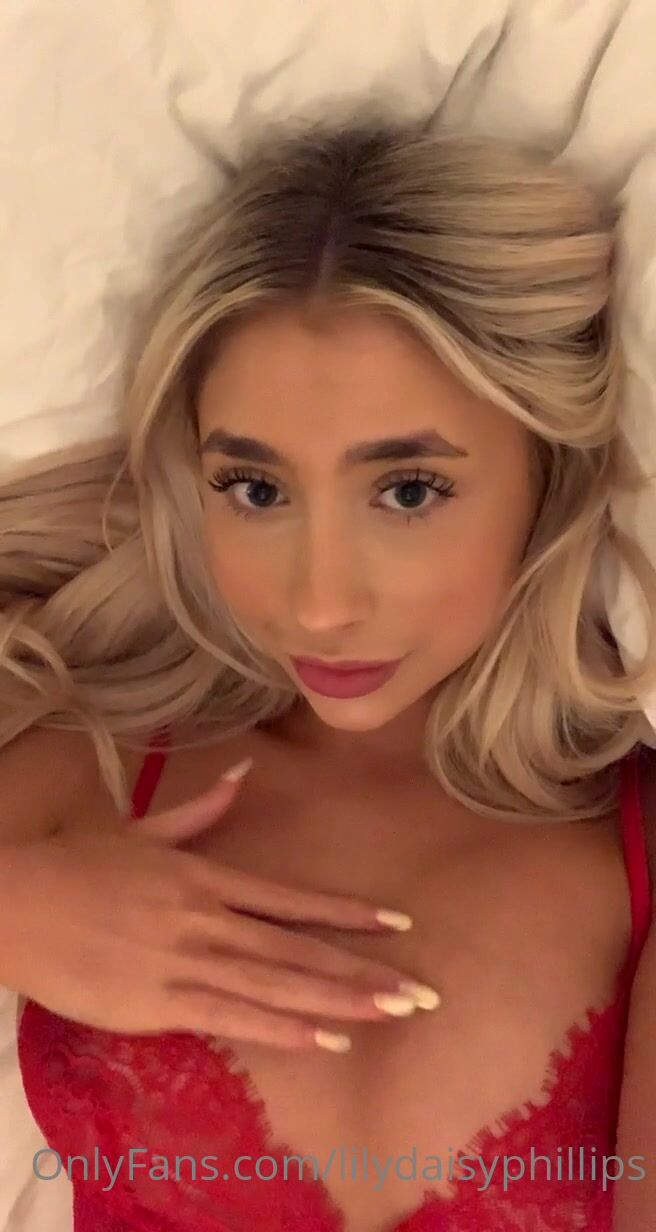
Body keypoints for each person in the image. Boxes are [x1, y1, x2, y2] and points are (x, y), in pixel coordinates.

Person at [1, 107, 656, 1232]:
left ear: (544, 476)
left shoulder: (632, 849)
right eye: (254, 490)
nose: (317, 603)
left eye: (408, 491)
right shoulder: (91, 769)